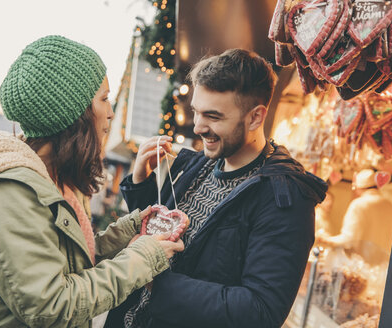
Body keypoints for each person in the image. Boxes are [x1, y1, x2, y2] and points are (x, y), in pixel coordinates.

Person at [0, 35, 184, 328]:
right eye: (103, 99)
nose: (110, 111)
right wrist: (143, 258)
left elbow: (72, 262)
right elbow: (49, 305)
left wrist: (131, 228)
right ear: (73, 114)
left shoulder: (57, 180)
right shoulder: (11, 192)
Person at [106, 49, 328, 328]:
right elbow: (165, 232)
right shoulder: (198, 162)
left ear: (256, 118)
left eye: (213, 116)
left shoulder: (285, 197)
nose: (198, 127)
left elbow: (259, 311)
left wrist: (154, 280)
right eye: (196, 112)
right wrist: (141, 183)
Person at [316, 169, 392, 265]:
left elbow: (348, 240)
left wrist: (326, 239)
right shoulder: (390, 206)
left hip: (362, 266)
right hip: (384, 266)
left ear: (358, 188)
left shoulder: (359, 205)